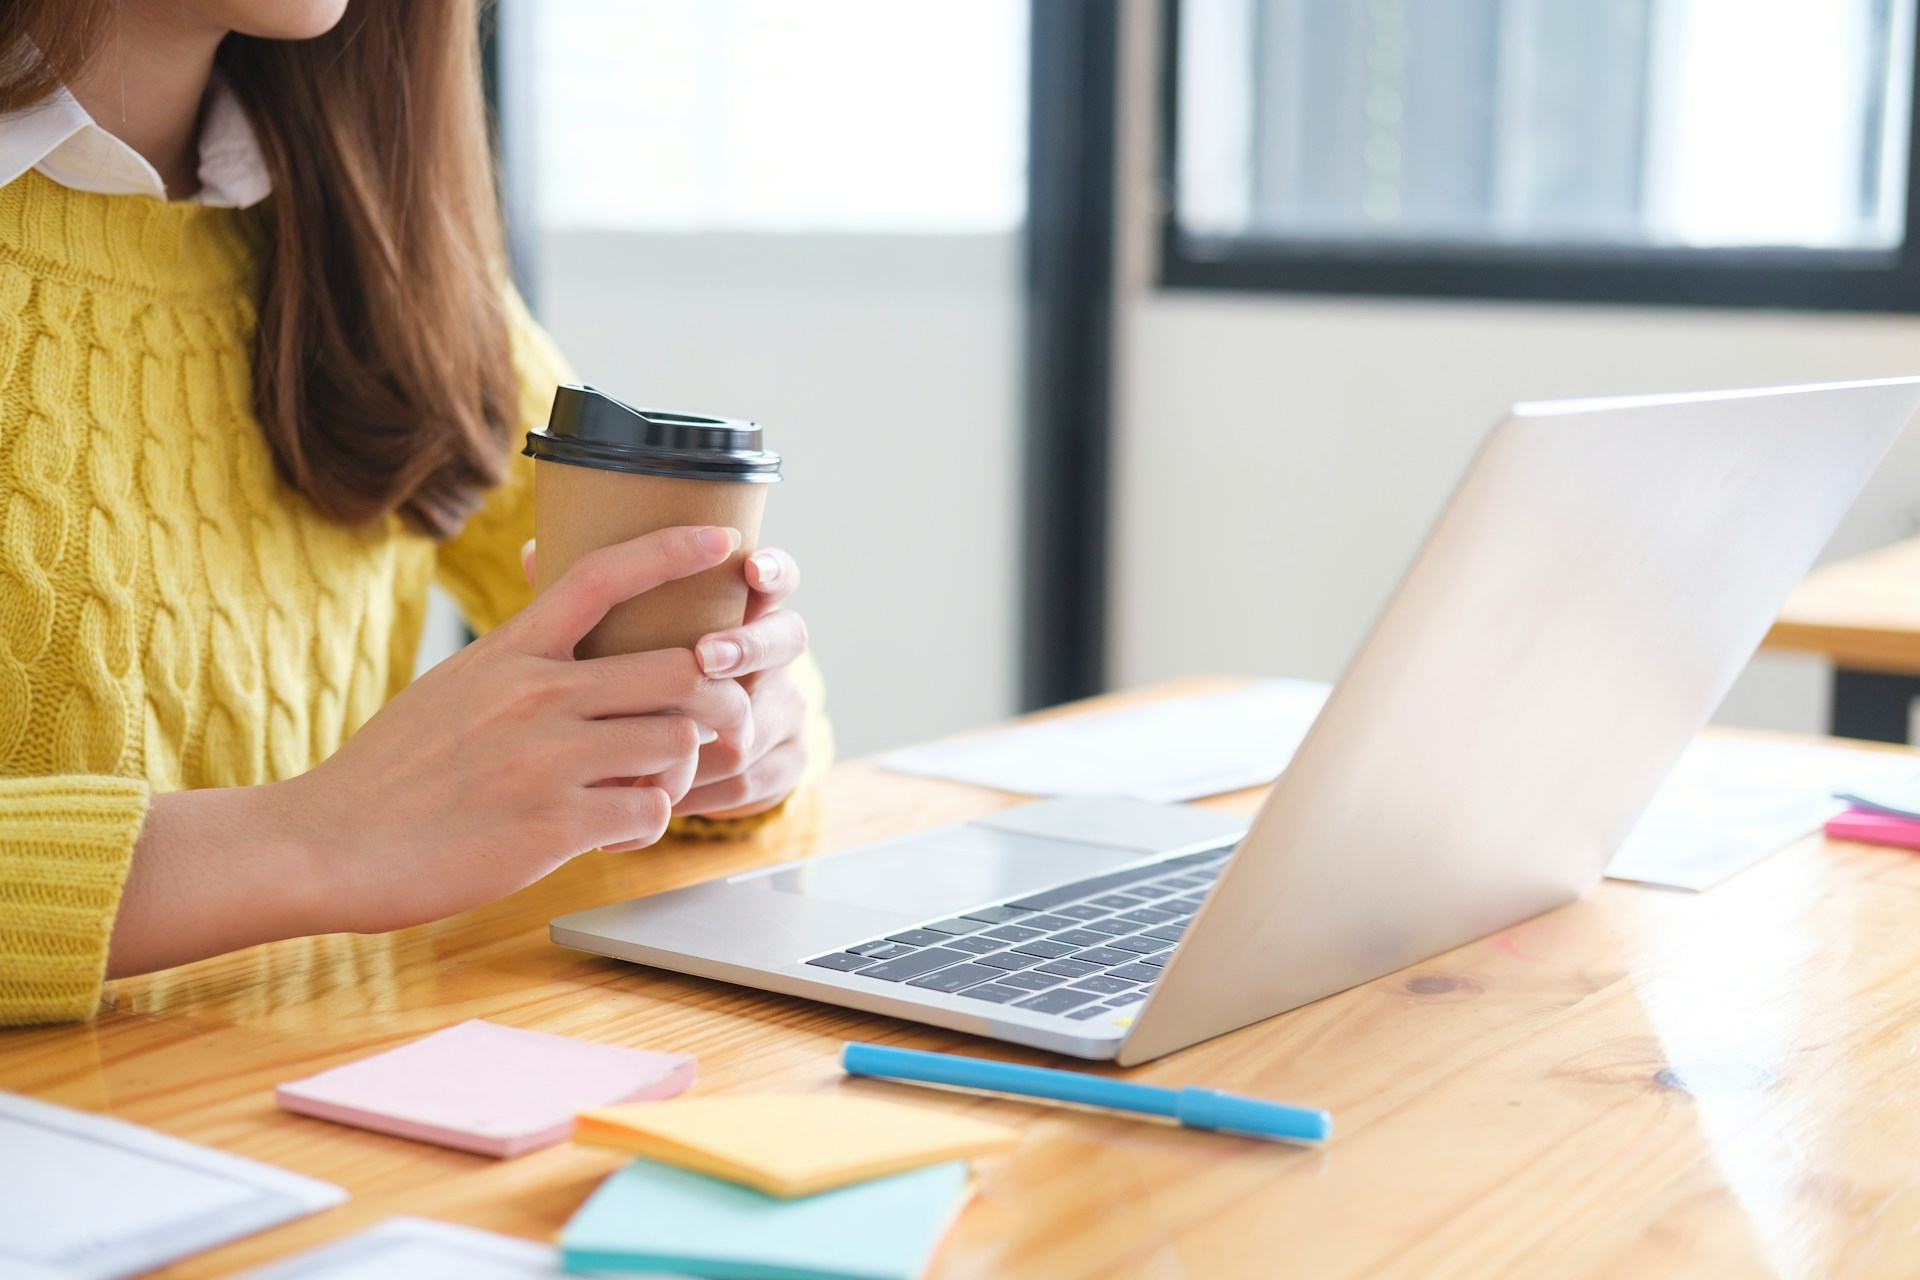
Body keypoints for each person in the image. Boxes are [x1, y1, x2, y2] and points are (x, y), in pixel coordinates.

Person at [0, 0, 829, 1024]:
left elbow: (689, 661)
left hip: (311, 1096)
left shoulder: (370, 236)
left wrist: (736, 726)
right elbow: (352, 833)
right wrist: (316, 838)